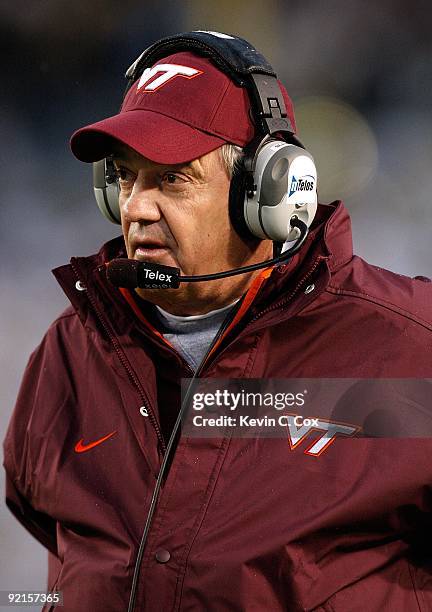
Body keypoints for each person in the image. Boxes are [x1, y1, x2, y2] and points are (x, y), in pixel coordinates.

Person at [3, 31, 432, 612]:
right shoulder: (73, 346)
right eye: (125, 177)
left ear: (269, 193)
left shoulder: (408, 346)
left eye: (172, 178)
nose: (134, 206)